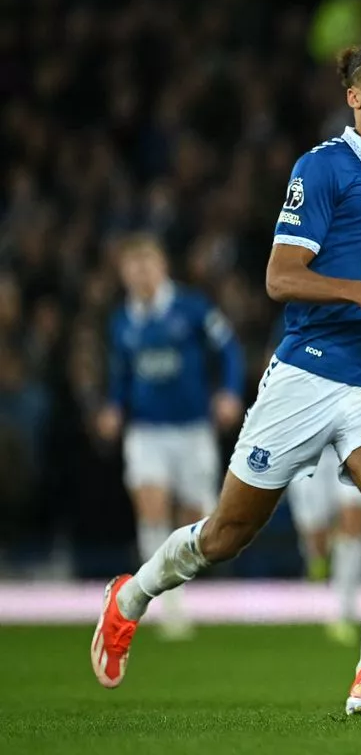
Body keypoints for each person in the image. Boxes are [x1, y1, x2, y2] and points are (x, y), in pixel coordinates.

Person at [91, 39, 361, 717]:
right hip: (307, 380)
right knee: (225, 534)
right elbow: (280, 278)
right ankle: (131, 598)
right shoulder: (324, 170)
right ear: (356, 96)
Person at [97, 234, 245, 640]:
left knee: (195, 518)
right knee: (151, 506)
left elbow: (229, 349)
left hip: (193, 428)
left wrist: (230, 392)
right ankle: (167, 607)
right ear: (125, 274)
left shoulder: (192, 308)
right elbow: (121, 374)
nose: (140, 276)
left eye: (147, 266)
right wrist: (114, 405)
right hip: (146, 431)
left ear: (161, 268)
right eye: (133, 269)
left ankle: (175, 590)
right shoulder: (122, 320)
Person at [286, 443, 361, 645]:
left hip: (353, 441)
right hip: (308, 444)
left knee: (354, 520)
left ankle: (343, 609)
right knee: (316, 536)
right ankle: (318, 562)